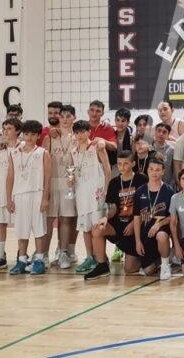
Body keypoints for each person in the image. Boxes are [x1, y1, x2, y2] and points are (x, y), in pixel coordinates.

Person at [85, 151, 149, 279]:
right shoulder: (114, 182)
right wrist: (105, 217)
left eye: (126, 164)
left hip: (137, 225)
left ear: (133, 163)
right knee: (97, 229)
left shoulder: (142, 180)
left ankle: (149, 259)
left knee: (129, 269)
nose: (122, 167)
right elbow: (114, 207)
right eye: (119, 164)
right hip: (119, 224)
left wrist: (134, 223)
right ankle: (102, 265)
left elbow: (147, 207)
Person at [5, 119, 52, 275]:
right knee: (21, 229)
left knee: (39, 229)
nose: (29, 137)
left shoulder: (43, 153)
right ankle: (22, 260)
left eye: (33, 134)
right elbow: (10, 177)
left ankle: (39, 260)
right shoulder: (14, 153)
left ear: (38, 135)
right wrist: (9, 199)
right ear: (22, 135)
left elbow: (47, 178)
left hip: (37, 193)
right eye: (26, 134)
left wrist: (45, 198)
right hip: (19, 195)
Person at [69, 119, 111, 275]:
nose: (80, 135)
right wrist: (70, 180)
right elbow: (71, 172)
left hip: (97, 193)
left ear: (89, 132)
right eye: (77, 132)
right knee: (85, 228)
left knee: (96, 228)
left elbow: (107, 169)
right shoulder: (73, 151)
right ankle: (89, 257)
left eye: (82, 132)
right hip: (82, 193)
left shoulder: (97, 146)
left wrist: (106, 190)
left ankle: (101, 258)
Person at [45, 105, 77, 270]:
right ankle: (43, 254)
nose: (64, 119)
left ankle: (63, 252)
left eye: (68, 116)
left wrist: (70, 177)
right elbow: (44, 163)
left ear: (74, 118)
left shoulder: (77, 138)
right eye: (62, 116)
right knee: (49, 220)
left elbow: (76, 162)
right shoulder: (50, 137)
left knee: (66, 219)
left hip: (69, 184)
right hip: (52, 182)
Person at [0, 118, 21, 271]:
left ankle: (22, 255)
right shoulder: (0, 149)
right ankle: (0, 256)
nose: (5, 131)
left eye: (9, 128)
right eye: (4, 129)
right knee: (1, 224)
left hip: (18, 192)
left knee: (21, 225)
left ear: (17, 131)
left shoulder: (22, 147)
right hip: (2, 192)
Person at [141, 156, 176, 280]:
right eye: (151, 169)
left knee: (161, 235)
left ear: (163, 171)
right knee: (148, 271)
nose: (154, 173)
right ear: (147, 170)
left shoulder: (169, 191)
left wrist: (158, 224)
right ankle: (164, 257)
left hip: (162, 230)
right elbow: (136, 218)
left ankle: (165, 265)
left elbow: (173, 216)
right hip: (147, 233)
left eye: (157, 170)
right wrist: (138, 241)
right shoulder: (140, 191)